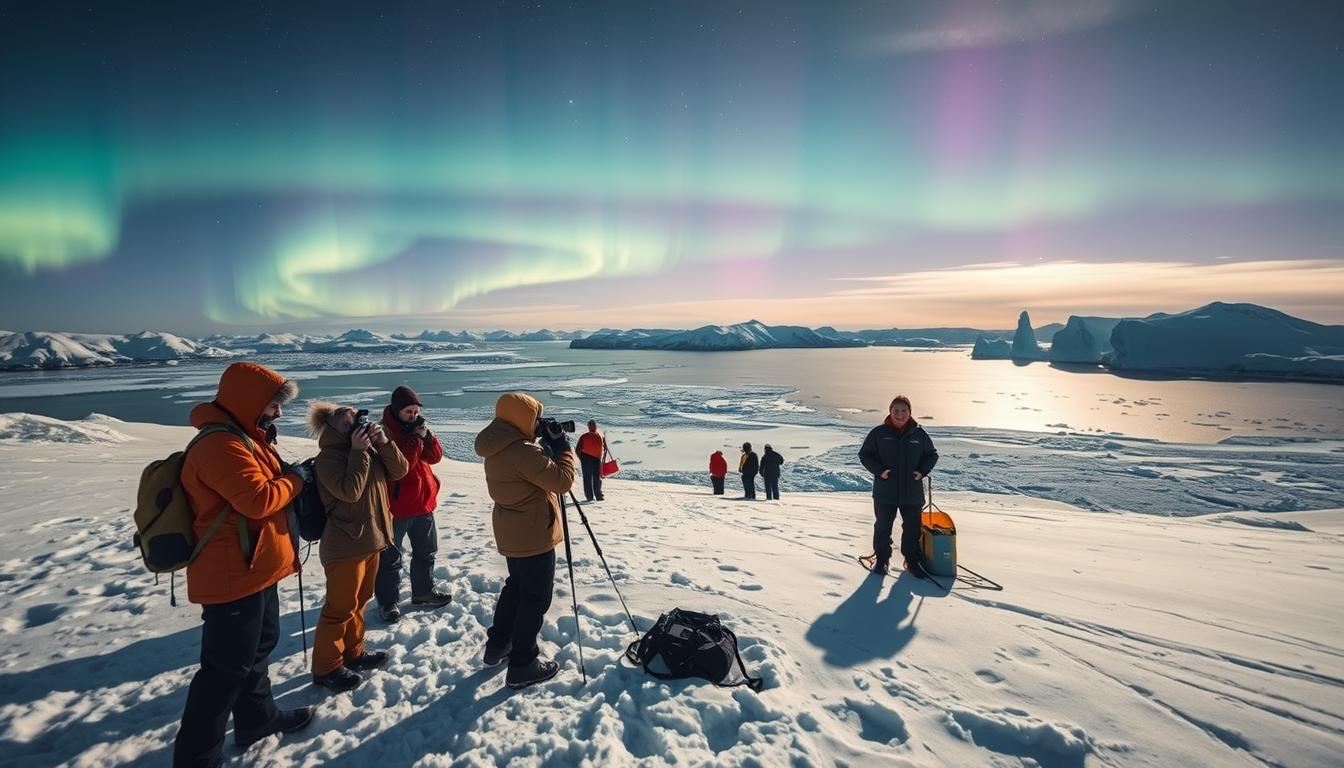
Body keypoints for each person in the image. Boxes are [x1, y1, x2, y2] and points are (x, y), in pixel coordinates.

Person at [173, 362, 314, 768]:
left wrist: (287, 473)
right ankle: (197, 757)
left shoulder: (245, 438)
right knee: (223, 671)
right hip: (232, 574)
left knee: (257, 651)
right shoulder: (219, 445)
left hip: (255, 568)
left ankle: (257, 720)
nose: (279, 414)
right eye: (273, 405)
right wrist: (299, 479)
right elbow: (258, 500)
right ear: (249, 402)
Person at [473, 392, 577, 689]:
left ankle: (498, 646)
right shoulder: (521, 451)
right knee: (534, 599)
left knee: (516, 589)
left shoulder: (497, 444)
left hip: (513, 531)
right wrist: (562, 447)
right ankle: (523, 663)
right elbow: (562, 481)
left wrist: (539, 446)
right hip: (533, 534)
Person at [307, 402, 409, 692]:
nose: (353, 428)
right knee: (339, 608)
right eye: (345, 424)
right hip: (345, 545)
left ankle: (353, 653)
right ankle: (326, 667)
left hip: (370, 539)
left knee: (360, 601)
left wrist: (383, 442)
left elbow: (400, 470)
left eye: (356, 421)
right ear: (332, 429)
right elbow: (350, 492)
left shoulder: (367, 450)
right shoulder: (328, 458)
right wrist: (358, 452)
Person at [375, 385, 452, 623]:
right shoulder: (384, 433)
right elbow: (402, 466)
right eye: (409, 411)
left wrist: (428, 437)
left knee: (426, 551)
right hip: (396, 507)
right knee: (390, 558)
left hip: (423, 503)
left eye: (416, 411)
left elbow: (436, 457)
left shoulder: (414, 429)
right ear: (397, 410)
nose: (413, 416)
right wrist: (417, 439)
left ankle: (423, 592)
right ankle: (388, 603)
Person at [858, 395, 939, 577]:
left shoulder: (919, 435)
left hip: (912, 492)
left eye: (904, 411)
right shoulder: (879, 433)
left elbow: (932, 455)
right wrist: (880, 471)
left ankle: (911, 561)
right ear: (890, 412)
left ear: (910, 413)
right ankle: (882, 560)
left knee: (912, 528)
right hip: (885, 491)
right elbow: (865, 455)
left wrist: (922, 471)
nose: (900, 414)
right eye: (896, 410)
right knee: (883, 527)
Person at [574, 419, 607, 502]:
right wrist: (582, 458)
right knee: (590, 478)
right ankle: (593, 496)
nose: (592, 427)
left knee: (594, 478)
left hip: (592, 459)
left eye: (593, 425)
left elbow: (605, 448)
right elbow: (578, 449)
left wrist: (582, 458)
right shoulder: (587, 436)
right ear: (588, 427)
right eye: (591, 425)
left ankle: (595, 496)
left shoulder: (599, 435)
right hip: (588, 458)